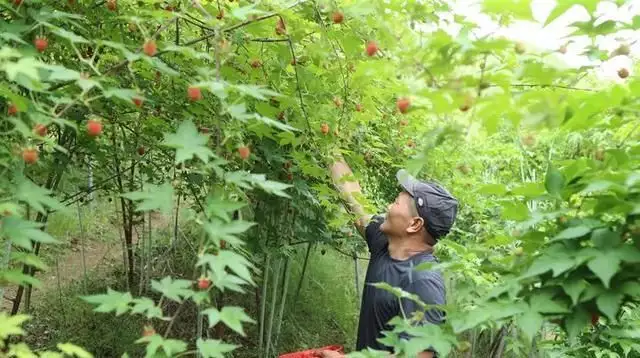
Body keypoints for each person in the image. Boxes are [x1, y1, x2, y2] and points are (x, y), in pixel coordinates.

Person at [316, 155, 458, 358]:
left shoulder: (423, 281)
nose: (388, 207)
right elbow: (354, 200)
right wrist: (330, 149)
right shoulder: (385, 244)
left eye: (396, 203)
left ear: (414, 224)